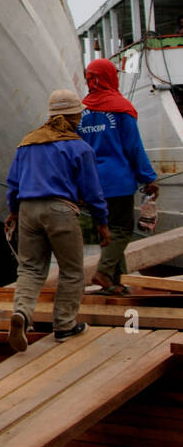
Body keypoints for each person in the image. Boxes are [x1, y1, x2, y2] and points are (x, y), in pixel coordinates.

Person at [5, 89, 111, 352]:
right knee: (72, 271)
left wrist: (13, 212)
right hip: (61, 210)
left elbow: (13, 185)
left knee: (30, 269)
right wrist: (102, 222)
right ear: (76, 115)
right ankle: (64, 325)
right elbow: (92, 191)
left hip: (28, 209)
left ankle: (21, 313)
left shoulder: (27, 143)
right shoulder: (79, 147)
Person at [79, 59, 159, 295]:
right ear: (110, 76)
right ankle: (103, 273)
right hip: (118, 181)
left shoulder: (81, 111)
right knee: (122, 229)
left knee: (106, 231)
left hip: (91, 182)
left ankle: (115, 283)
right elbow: (134, 147)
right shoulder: (120, 107)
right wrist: (148, 177)